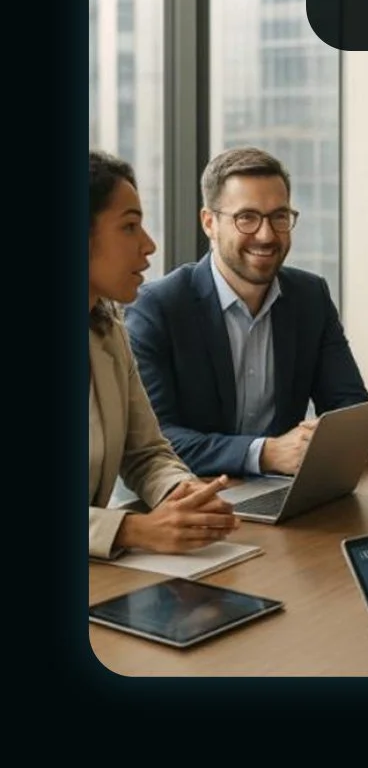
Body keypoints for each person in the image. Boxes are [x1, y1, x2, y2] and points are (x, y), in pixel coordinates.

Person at [125, 146, 368, 477]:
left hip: (282, 492)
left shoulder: (310, 296)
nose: (267, 235)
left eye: (279, 216)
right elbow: (155, 439)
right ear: (209, 222)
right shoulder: (158, 307)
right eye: (247, 218)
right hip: (191, 497)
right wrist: (265, 453)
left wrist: (325, 440)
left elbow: (349, 407)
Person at [89, 150, 239, 560]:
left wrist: (185, 494)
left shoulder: (108, 330)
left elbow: (146, 452)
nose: (149, 245)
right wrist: (132, 529)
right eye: (129, 227)